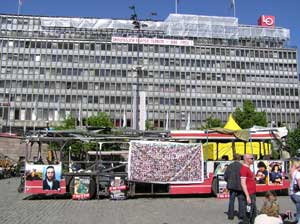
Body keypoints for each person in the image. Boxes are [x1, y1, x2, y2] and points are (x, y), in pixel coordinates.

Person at [224, 154, 244, 220]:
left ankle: (230, 215)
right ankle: (241, 215)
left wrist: (228, 182)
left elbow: (225, 176)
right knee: (241, 200)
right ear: (239, 159)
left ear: (233, 158)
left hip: (231, 186)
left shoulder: (229, 166)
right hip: (240, 186)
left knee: (231, 201)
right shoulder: (242, 166)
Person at [240, 154, 257, 224]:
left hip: (252, 193)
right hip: (249, 194)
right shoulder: (244, 169)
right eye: (252, 158)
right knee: (248, 212)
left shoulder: (247, 168)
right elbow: (243, 183)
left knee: (253, 212)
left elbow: (248, 179)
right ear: (247, 159)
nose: (253, 160)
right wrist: (247, 196)